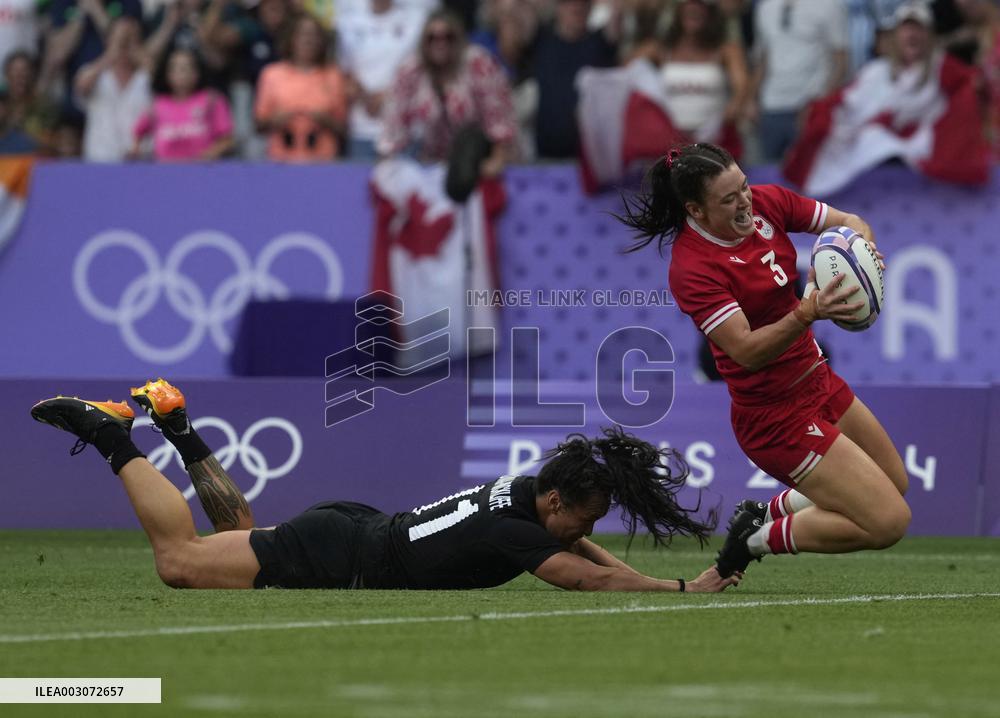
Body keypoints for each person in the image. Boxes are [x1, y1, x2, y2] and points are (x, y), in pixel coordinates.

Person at [30, 379, 739, 593]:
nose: (585, 538)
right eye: (581, 521)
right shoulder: (520, 526)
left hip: (351, 530)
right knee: (180, 563)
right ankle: (109, 433)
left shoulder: (530, 492)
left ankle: (179, 427)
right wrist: (679, 589)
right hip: (341, 552)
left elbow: (583, 555)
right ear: (554, 502)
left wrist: (656, 579)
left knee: (235, 541)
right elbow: (584, 578)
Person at [615, 142, 910, 578]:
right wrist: (807, 311)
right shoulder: (693, 267)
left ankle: (763, 514)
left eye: (744, 187)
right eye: (729, 198)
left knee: (896, 482)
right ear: (696, 210)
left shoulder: (767, 203)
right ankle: (753, 541)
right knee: (889, 522)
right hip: (775, 418)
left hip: (817, 379)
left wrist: (862, 249)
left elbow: (848, 220)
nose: (745, 203)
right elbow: (746, 351)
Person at [377, 9, 516, 174]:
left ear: (458, 39)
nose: (440, 43)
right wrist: (387, 167)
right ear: (423, 42)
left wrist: (496, 161)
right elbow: (394, 122)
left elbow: (499, 118)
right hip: (431, 163)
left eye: (447, 37)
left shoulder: (479, 65)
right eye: (432, 38)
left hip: (477, 162)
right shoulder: (411, 71)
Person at [748, 0, 849, 162]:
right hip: (771, 108)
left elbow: (841, 61)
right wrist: (752, 99)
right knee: (767, 175)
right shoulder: (765, 8)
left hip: (808, 108)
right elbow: (763, 58)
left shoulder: (830, 6)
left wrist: (820, 105)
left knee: (806, 177)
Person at [254, 13, 348, 162]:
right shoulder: (272, 74)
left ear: (321, 41)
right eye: (303, 34)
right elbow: (258, 125)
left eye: (313, 35)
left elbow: (343, 127)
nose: (308, 40)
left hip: (323, 161)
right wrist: (275, 120)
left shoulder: (333, 76)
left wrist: (325, 120)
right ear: (291, 38)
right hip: (280, 160)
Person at [131, 47, 234, 161]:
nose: (181, 73)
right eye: (174, 68)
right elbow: (138, 133)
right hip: (165, 172)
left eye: (186, 68)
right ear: (167, 74)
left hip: (202, 172)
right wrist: (136, 150)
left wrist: (212, 153)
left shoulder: (212, 100)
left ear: (197, 72)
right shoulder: (157, 105)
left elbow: (227, 140)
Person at [74, 15, 152, 162]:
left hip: (140, 161)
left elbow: (161, 96)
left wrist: (141, 56)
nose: (125, 46)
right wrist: (111, 54)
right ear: (108, 40)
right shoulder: (94, 72)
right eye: (121, 40)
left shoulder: (146, 77)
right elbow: (82, 86)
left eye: (130, 40)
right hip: (100, 161)